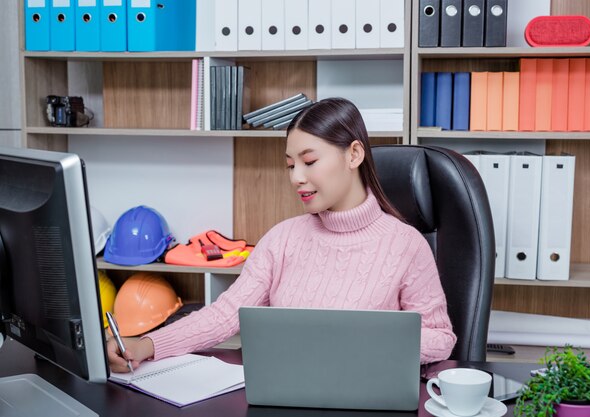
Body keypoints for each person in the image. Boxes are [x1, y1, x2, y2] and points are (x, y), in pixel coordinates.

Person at [107, 97, 456, 373]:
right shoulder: (282, 239)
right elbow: (225, 315)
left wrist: (364, 340)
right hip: (286, 395)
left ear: (354, 154)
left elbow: (441, 339)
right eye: (290, 165)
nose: (296, 178)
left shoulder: (406, 245)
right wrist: (146, 345)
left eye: (309, 161)